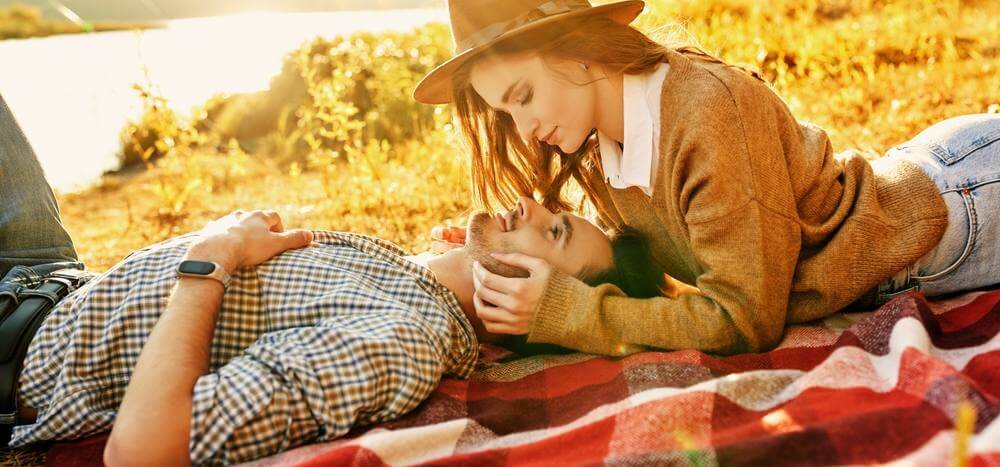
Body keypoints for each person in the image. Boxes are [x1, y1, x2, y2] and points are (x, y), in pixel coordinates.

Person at [0, 92, 655, 465]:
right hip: (54, 273)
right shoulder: (410, 276)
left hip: (19, 348)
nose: (532, 205)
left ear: (534, 306)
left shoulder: (402, 339)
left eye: (554, 233)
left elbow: (145, 451)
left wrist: (211, 258)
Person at [413, 0, 1000, 356]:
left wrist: (568, 314)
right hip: (929, 180)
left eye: (524, 97)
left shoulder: (706, 111)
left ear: (575, 52)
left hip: (958, 209)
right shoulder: (599, 153)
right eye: (505, 112)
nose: (521, 131)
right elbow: (642, 239)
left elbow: (745, 318)